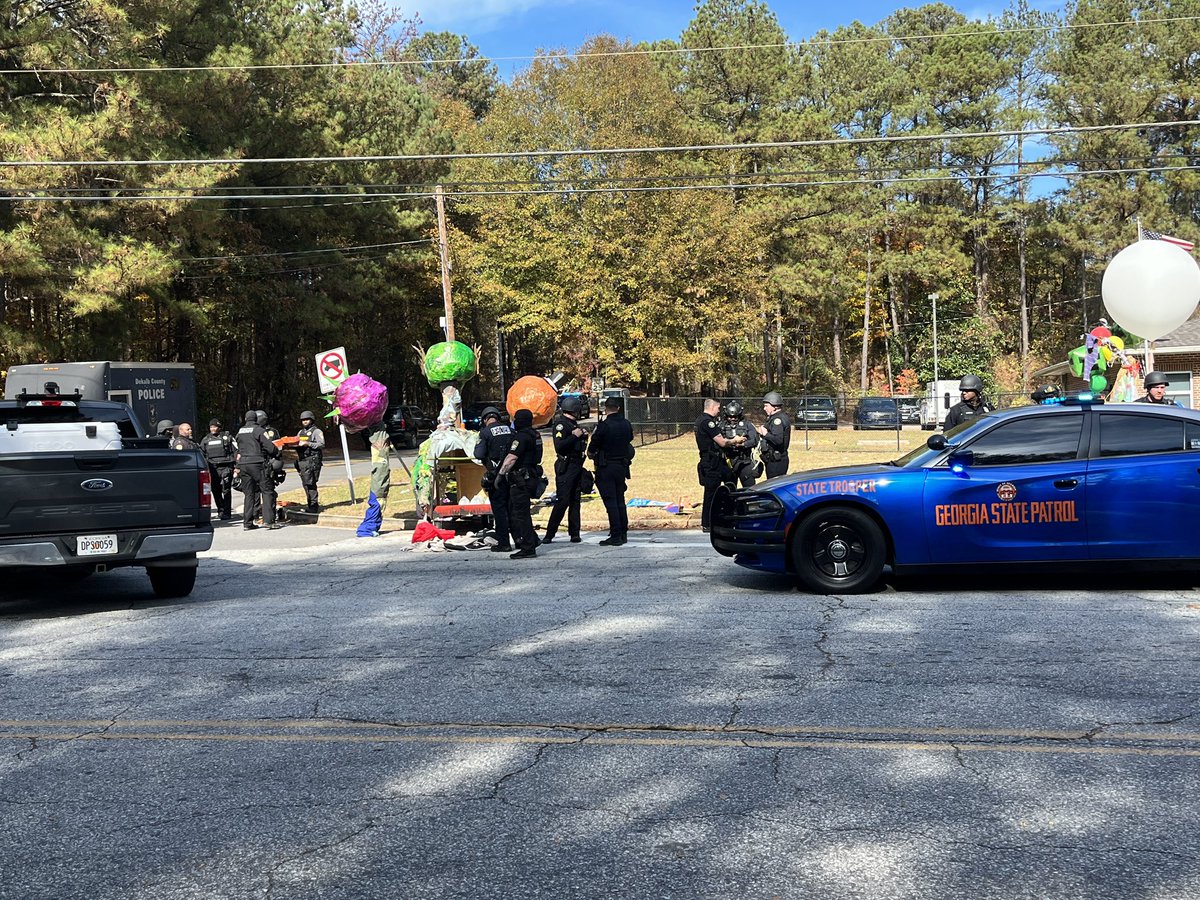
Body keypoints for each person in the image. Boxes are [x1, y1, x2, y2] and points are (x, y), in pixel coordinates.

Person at [497, 408, 543, 559]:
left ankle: (528, 547)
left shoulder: (521, 437)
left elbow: (511, 458)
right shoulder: (535, 435)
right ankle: (533, 540)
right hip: (531, 476)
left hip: (520, 480)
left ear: (519, 421)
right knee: (524, 513)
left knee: (520, 514)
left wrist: (500, 475)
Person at [588, 396, 634, 546]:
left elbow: (593, 446)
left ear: (605, 409)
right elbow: (630, 439)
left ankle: (616, 534)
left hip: (606, 467)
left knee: (611, 501)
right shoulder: (626, 424)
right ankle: (623, 532)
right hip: (621, 466)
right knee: (620, 500)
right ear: (618, 408)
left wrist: (592, 453)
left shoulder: (604, 426)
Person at [543, 397, 589, 544]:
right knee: (563, 501)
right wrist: (575, 437)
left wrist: (583, 437)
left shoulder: (573, 424)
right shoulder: (561, 425)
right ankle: (550, 533)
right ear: (574, 409)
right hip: (566, 466)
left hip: (576, 465)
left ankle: (574, 533)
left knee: (575, 500)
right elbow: (560, 446)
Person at [694, 398, 742, 533]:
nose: (719, 411)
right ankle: (708, 523)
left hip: (714, 460)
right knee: (711, 493)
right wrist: (735, 440)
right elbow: (721, 442)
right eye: (718, 408)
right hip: (711, 462)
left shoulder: (700, 420)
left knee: (730, 479)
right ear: (712, 407)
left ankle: (726, 517)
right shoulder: (707, 422)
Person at [473, 407, 514, 552]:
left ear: (485, 420)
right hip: (512, 475)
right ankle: (522, 540)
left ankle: (504, 543)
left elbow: (478, 454)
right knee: (512, 509)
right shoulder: (510, 429)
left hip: (495, 476)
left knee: (500, 510)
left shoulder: (485, 432)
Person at [235, 409, 282, 530]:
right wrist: (277, 453)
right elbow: (270, 448)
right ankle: (269, 521)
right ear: (256, 419)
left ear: (245, 419)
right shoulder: (259, 430)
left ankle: (247, 523)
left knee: (249, 494)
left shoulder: (240, 431)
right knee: (267, 491)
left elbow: (237, 448)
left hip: (243, 464)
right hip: (257, 463)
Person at [201, 418, 236, 520]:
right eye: (211, 427)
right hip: (213, 468)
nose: (213, 429)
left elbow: (235, 451)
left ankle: (227, 512)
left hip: (225, 467)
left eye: (215, 426)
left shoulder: (227, 437)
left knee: (226, 490)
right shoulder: (206, 439)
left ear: (219, 427)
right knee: (216, 491)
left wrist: (235, 466)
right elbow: (202, 454)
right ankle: (221, 510)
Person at [720, 399, 759, 488]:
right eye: (730, 417)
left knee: (750, 489)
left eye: (735, 417)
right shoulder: (721, 426)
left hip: (744, 462)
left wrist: (742, 445)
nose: (732, 419)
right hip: (728, 462)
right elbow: (718, 442)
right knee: (729, 489)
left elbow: (754, 440)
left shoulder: (747, 425)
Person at [756, 390, 792, 479]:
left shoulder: (778, 420)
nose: (764, 408)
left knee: (774, 486)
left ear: (774, 406)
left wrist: (765, 434)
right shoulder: (775, 418)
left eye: (766, 406)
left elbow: (778, 440)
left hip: (776, 461)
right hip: (774, 459)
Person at [295, 410, 325, 512]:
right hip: (303, 461)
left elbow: (321, 444)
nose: (305, 421)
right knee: (305, 483)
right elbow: (297, 442)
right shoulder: (301, 432)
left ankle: (313, 506)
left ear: (311, 420)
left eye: (307, 419)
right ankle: (310, 504)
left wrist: (308, 443)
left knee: (310, 483)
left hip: (313, 460)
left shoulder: (316, 432)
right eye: (303, 420)